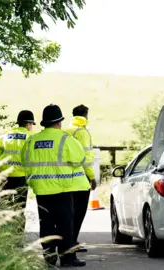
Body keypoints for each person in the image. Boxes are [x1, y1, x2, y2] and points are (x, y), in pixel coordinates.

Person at [21, 104, 87, 267]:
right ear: (59, 122)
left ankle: (49, 258)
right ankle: (67, 258)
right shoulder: (65, 139)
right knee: (65, 224)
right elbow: (80, 158)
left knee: (46, 224)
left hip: (41, 190)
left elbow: (24, 160)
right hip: (61, 189)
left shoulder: (32, 140)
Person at [0, 110, 35, 228]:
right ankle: (18, 236)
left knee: (4, 206)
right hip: (21, 177)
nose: (32, 127)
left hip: (5, 176)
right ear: (28, 124)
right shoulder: (31, 137)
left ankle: (3, 234)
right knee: (20, 208)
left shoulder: (6, 135)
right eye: (32, 124)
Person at [65, 104, 97, 253]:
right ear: (86, 115)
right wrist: (91, 176)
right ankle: (72, 242)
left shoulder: (67, 130)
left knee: (70, 211)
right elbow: (85, 157)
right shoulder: (82, 132)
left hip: (66, 177)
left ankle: (70, 240)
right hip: (81, 177)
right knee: (79, 212)